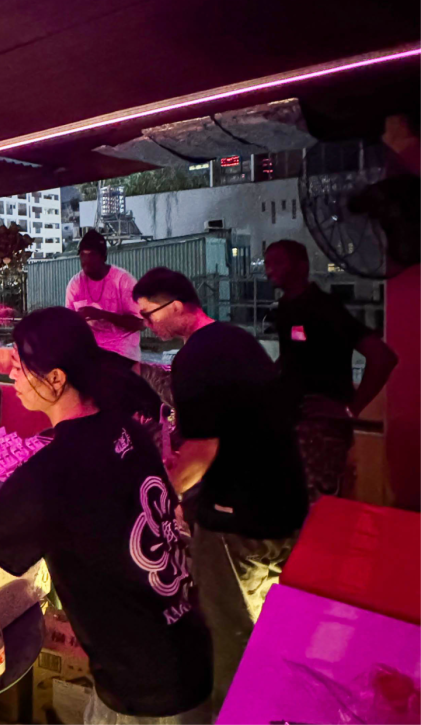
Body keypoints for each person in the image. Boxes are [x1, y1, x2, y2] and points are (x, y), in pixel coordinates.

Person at [0, 307, 211, 724]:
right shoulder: (127, 428)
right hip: (187, 646)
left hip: (145, 687)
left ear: (57, 379)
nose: (13, 376)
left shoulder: (54, 473)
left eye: (21, 368)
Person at [133, 267, 308, 715]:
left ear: (176, 306)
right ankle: (278, 705)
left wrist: (160, 495)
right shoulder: (237, 339)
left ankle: (236, 713)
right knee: (272, 623)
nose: (147, 326)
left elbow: (202, 449)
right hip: (284, 508)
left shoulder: (194, 358)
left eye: (148, 315)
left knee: (228, 632)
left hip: (237, 519)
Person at [264, 240, 398, 499]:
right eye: (267, 263)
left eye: (277, 262)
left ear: (302, 266)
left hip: (320, 434)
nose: (269, 270)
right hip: (292, 427)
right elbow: (292, 357)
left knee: (317, 514)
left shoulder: (324, 308)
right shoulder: (286, 308)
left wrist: (350, 409)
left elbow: (382, 357)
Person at [65, 230, 145, 370]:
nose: (86, 260)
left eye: (92, 255)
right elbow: (69, 324)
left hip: (123, 353)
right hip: (91, 351)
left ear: (104, 257)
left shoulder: (123, 281)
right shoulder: (75, 284)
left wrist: (102, 315)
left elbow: (140, 323)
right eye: (83, 255)